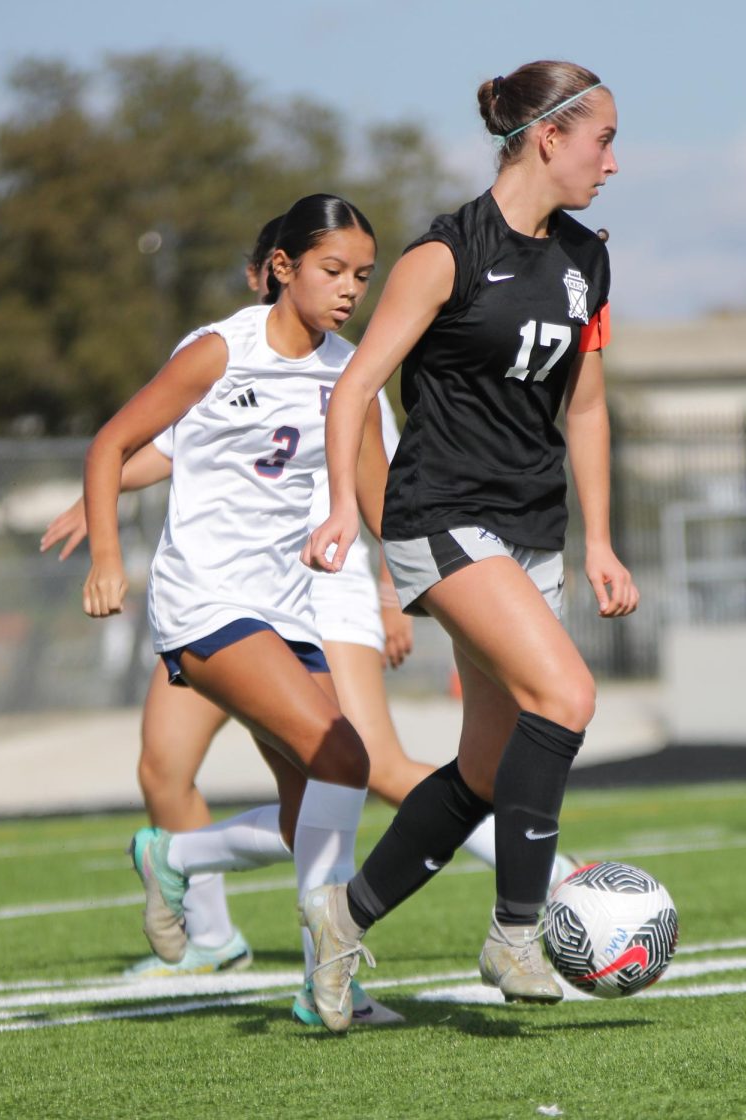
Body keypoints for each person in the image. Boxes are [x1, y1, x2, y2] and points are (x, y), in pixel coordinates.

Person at [295, 59, 636, 1032]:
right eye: (603, 139)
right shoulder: (442, 255)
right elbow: (355, 387)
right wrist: (335, 513)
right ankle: (516, 931)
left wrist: (602, 540)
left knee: (487, 770)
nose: (614, 161)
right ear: (548, 138)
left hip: (530, 528)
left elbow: (590, 403)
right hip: (438, 514)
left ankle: (342, 913)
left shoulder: (589, 260)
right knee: (566, 696)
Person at [81, 193, 386, 1035]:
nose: (350, 288)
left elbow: (377, 496)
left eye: (363, 274)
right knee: (348, 758)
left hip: (289, 610)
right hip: (205, 602)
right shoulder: (220, 350)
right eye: (333, 270)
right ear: (283, 269)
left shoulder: (349, 368)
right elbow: (111, 444)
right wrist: (108, 555)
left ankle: (173, 857)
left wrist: (436, 578)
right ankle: (334, 973)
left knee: (309, 818)